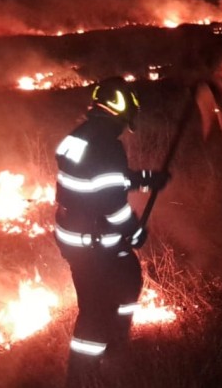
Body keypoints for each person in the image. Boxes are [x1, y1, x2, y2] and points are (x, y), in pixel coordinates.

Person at [54, 76, 170, 386]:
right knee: (102, 307)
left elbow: (99, 178)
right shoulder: (106, 145)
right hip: (95, 244)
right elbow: (110, 200)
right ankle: (90, 374)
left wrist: (145, 179)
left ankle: (102, 361)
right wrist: (134, 231)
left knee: (100, 302)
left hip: (75, 238)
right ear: (121, 109)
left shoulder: (80, 136)